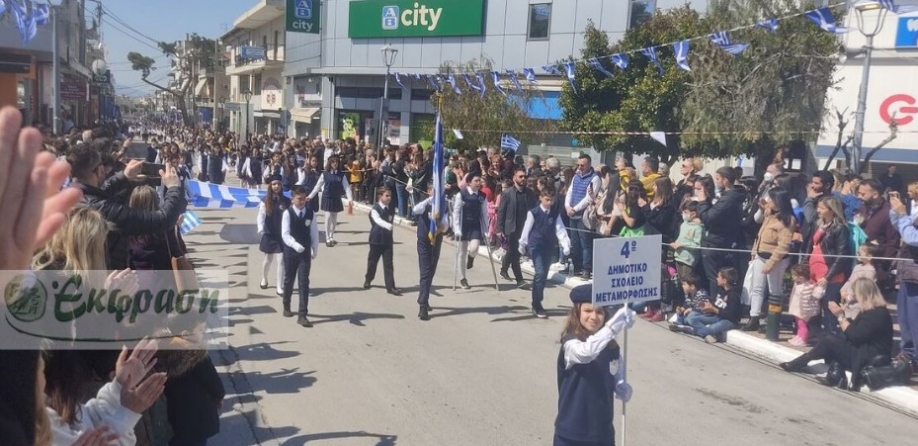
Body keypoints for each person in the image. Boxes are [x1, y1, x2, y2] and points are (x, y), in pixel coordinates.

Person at [67, 144, 186, 270]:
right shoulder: (102, 209)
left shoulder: (68, 197)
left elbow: (97, 193)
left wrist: (124, 177)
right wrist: (174, 188)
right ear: (100, 170)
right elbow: (162, 220)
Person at [553, 285, 635, 446]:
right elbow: (586, 353)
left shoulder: (611, 347)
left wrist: (621, 386)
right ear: (577, 313)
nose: (594, 316)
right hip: (571, 433)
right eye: (588, 311)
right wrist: (613, 327)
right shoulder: (570, 343)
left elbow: (616, 372)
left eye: (599, 311)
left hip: (601, 432)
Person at [780, 278, 894, 390]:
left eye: (856, 293)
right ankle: (834, 371)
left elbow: (855, 336)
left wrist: (840, 316)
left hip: (871, 359)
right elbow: (855, 331)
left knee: (830, 341)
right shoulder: (872, 311)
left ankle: (804, 363)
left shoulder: (877, 314)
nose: (854, 296)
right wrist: (843, 314)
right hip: (864, 352)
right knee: (835, 337)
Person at [741, 187, 795, 331]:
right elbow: (759, 229)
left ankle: (773, 321)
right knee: (757, 288)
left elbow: (784, 245)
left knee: (774, 291)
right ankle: (754, 317)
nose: (769, 201)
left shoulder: (787, 220)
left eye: (771, 198)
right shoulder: (769, 214)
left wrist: (771, 263)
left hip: (776, 260)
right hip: (761, 255)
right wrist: (755, 251)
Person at [519, 186, 571, 318]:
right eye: (547, 200)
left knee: (543, 275)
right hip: (536, 246)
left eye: (552, 200)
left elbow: (560, 229)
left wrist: (565, 244)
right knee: (540, 272)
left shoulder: (554, 213)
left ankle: (537, 299)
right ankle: (537, 304)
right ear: (541, 198)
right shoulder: (534, 213)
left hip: (548, 246)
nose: (549, 203)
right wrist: (522, 244)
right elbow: (526, 229)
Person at [281, 186, 320, 327]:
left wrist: (315, 248)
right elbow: (285, 234)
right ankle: (286, 305)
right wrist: (295, 245)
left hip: (304, 253)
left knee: (304, 282)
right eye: (299, 198)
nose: (302, 201)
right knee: (289, 280)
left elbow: (314, 232)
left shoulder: (310, 213)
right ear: (292, 199)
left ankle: (302, 314)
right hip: (291, 252)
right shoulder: (287, 213)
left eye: (304, 198)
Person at [675, 267, 743, 343]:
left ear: (724, 281)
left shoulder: (734, 295)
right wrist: (706, 306)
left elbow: (731, 315)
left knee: (710, 329)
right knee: (692, 318)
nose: (716, 278)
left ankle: (693, 330)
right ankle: (710, 334)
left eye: (718, 277)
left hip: (728, 321)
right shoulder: (720, 291)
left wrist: (714, 309)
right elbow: (714, 303)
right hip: (716, 316)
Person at [413, 184, 448, 321]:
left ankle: (424, 298)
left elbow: (446, 225)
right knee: (425, 272)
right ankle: (422, 306)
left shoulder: (443, 206)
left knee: (431, 271)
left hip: (436, 240)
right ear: (428, 191)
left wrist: (442, 224)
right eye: (433, 190)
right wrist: (430, 200)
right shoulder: (425, 204)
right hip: (423, 241)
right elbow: (416, 210)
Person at [497, 168, 538, 288]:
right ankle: (520, 280)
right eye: (520, 176)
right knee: (515, 252)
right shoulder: (507, 193)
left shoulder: (529, 193)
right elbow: (501, 212)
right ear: (514, 177)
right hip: (511, 228)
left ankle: (504, 269)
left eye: (525, 177)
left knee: (513, 251)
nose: (523, 179)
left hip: (524, 228)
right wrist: (499, 229)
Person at [564, 154, 602, 281]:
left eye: (582, 165)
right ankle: (576, 266)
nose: (580, 167)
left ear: (589, 164)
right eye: (578, 165)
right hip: (572, 214)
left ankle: (586, 269)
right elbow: (570, 191)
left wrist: (575, 209)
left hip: (583, 215)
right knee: (575, 243)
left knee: (585, 243)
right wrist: (568, 206)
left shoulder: (594, 178)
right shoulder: (576, 176)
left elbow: (588, 198)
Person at [452, 172, 490, 289]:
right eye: (476, 181)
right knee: (461, 252)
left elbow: (484, 214)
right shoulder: (462, 195)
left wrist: (486, 230)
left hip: (475, 225)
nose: (479, 183)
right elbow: (456, 212)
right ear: (469, 182)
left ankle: (471, 257)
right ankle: (462, 278)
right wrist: (456, 228)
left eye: (480, 181)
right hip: (464, 225)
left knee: (474, 248)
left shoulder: (482, 196)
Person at [307, 154, 353, 247]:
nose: (335, 164)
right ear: (330, 163)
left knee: (334, 219)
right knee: (327, 217)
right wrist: (310, 196)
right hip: (327, 197)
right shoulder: (325, 174)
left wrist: (350, 199)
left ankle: (332, 236)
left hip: (336, 198)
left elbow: (347, 187)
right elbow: (317, 186)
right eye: (333, 162)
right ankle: (327, 238)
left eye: (336, 162)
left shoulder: (341, 175)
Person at [364, 187, 401, 296]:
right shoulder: (375, 209)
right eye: (387, 195)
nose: (389, 198)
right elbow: (377, 220)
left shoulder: (391, 208)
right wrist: (387, 225)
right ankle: (368, 279)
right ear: (380, 196)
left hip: (387, 240)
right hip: (376, 240)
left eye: (390, 196)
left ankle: (391, 287)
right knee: (372, 262)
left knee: (388, 264)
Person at [257, 176, 290, 296]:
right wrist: (260, 228)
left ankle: (279, 286)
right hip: (270, 233)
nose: (276, 186)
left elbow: (290, 216)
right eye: (274, 184)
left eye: (278, 184)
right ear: (270, 186)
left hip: (282, 234)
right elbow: (261, 215)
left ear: (281, 186)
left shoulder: (286, 201)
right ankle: (264, 278)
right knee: (268, 259)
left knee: (281, 260)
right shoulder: (265, 200)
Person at [786, 263, 823, 346]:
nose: (792, 277)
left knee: (802, 325)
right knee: (799, 324)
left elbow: (816, 295)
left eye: (794, 275)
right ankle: (799, 336)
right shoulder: (797, 284)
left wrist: (820, 288)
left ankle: (803, 339)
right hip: (796, 308)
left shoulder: (809, 286)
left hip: (804, 309)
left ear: (801, 277)